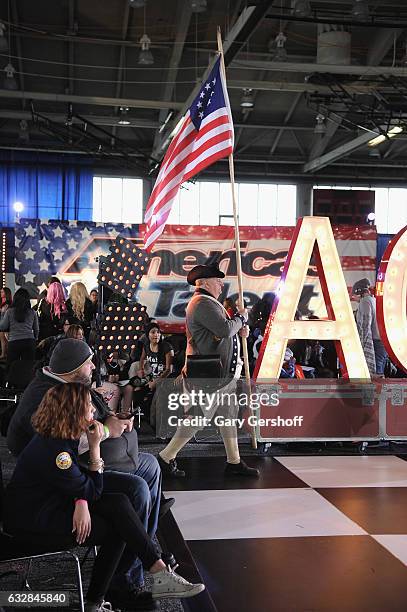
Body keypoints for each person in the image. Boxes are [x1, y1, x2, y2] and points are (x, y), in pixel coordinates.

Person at [4, 383, 205, 612]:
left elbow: (78, 485)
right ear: (72, 412)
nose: (93, 411)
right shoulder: (57, 453)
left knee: (119, 503)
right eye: (88, 407)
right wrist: (95, 448)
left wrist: (81, 500)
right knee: (118, 525)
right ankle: (99, 599)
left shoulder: (58, 435)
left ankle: (157, 571)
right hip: (35, 519)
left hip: (52, 500)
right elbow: (92, 490)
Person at [157, 263, 259, 479]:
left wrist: (239, 329)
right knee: (198, 419)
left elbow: (225, 330)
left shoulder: (208, 303)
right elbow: (223, 330)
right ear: (203, 283)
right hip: (208, 376)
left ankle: (234, 462)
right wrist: (240, 318)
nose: (221, 284)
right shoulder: (202, 303)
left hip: (219, 375)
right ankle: (165, 458)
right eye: (217, 280)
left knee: (227, 417)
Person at [122, 323, 174, 417]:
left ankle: (150, 417)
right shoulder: (147, 346)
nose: (156, 334)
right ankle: (127, 414)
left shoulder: (167, 347)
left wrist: (156, 381)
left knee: (147, 395)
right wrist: (141, 369)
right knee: (132, 386)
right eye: (153, 332)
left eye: (158, 332)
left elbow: (169, 370)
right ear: (147, 335)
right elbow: (142, 358)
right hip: (151, 377)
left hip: (165, 379)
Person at [352, 278, 387, 377]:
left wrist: (361, 343)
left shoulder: (365, 302)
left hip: (375, 341)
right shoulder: (374, 300)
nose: (353, 298)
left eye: (354, 295)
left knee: (375, 373)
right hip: (382, 342)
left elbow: (365, 325)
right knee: (380, 370)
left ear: (359, 292)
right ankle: (381, 391)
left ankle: (377, 392)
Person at [0, 287, 39, 367]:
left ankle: (11, 380)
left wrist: (3, 314)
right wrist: (35, 339)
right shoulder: (32, 312)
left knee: (11, 367)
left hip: (14, 342)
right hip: (29, 341)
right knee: (28, 367)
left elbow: (3, 327)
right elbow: (36, 329)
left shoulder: (9, 311)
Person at [0, 286, 12, 359]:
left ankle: (3, 354)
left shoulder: (7, 303)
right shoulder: (5, 302)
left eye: (2, 292)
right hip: (3, 322)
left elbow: (4, 314)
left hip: (4, 323)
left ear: (6, 293)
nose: (0, 293)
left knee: (3, 339)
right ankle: (5, 353)